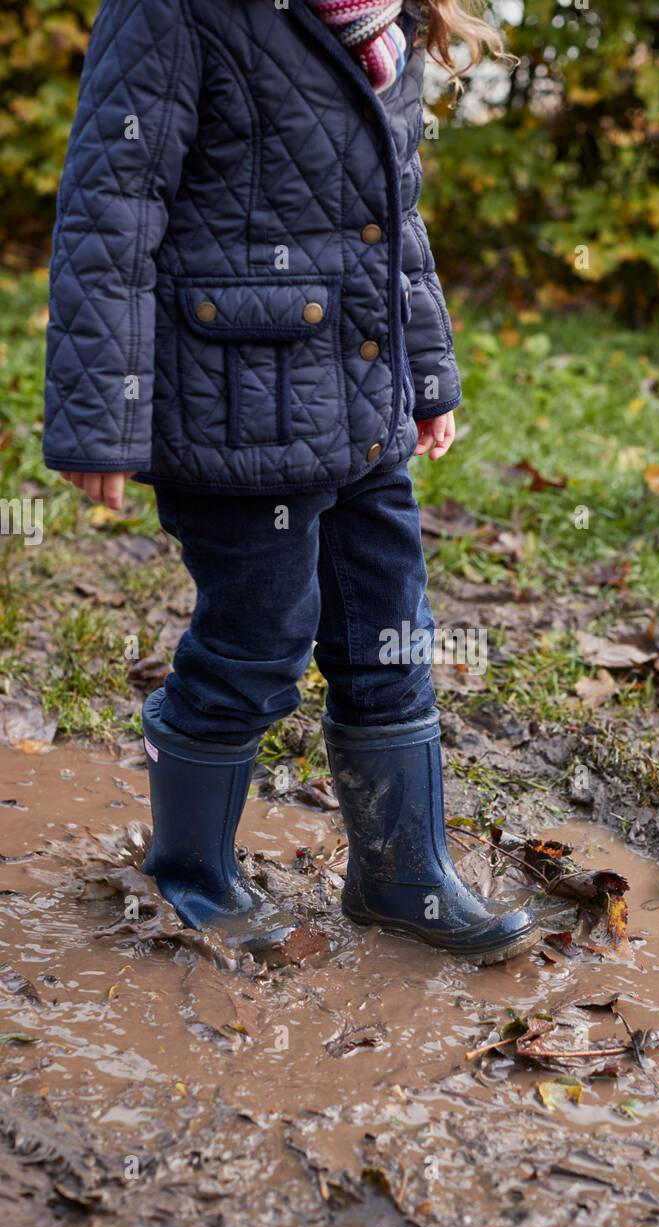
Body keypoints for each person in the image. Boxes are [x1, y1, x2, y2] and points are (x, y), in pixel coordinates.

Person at [43, 0, 539, 963]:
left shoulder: (386, 27)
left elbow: (397, 223)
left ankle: (404, 875)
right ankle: (191, 874)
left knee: (392, 634)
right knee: (257, 643)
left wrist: (427, 377)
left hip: (361, 408)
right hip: (230, 402)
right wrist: (100, 418)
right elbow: (112, 206)